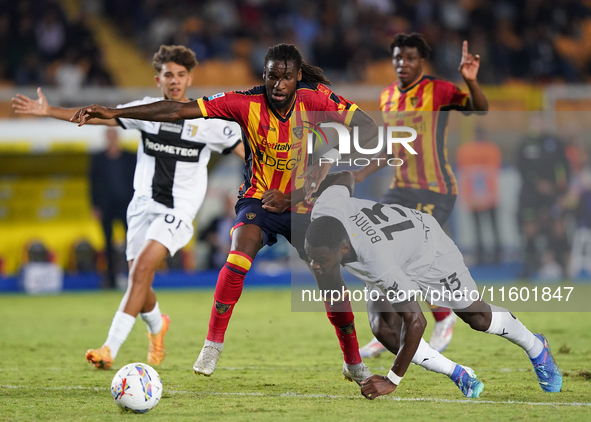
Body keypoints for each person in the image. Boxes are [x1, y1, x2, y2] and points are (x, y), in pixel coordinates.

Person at [70, 43, 380, 384]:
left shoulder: (317, 99)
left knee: (330, 282)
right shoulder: (243, 101)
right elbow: (177, 110)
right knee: (238, 256)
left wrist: (327, 158)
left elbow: (368, 128)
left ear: (298, 78)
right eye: (272, 76)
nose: (278, 85)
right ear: (263, 75)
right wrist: (115, 113)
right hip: (258, 199)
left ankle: (353, 361)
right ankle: (212, 344)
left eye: (286, 78)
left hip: (301, 203)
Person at [12, 45, 245, 370]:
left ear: (190, 78)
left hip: (177, 211)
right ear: (157, 79)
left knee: (139, 272)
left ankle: (109, 347)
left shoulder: (209, 122)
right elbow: (99, 117)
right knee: (141, 280)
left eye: (180, 75)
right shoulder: (144, 111)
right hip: (141, 208)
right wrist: (49, 111)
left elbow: (249, 154)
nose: (175, 81)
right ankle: (157, 325)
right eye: (168, 75)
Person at [305, 171, 562, 399]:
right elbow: (344, 178)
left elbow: (417, 321)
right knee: (384, 330)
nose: (315, 265)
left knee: (478, 318)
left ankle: (536, 346)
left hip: (428, 250)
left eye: (322, 259)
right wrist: (304, 188)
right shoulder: (324, 208)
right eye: (310, 256)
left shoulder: (377, 261)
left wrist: (391, 380)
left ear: (344, 248)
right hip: (394, 249)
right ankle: (458, 373)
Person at [352, 33, 489, 357]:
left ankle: (443, 317)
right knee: (370, 243)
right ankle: (385, 323)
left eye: (410, 58)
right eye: (398, 58)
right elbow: (390, 147)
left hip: (436, 189)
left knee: (412, 256)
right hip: (400, 189)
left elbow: (478, 109)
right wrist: (356, 174)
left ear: (421, 61)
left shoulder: (438, 90)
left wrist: (471, 82)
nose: (403, 64)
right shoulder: (387, 97)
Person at [516, 114, 570, 279]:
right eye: (536, 121)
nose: (539, 125)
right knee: (530, 230)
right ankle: (529, 267)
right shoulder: (525, 144)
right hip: (530, 195)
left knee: (558, 227)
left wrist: (562, 189)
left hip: (552, 194)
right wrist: (537, 183)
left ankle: (563, 267)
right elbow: (521, 169)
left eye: (541, 121)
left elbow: (565, 167)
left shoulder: (555, 142)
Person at [89, 128, 136, 288]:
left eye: (114, 135)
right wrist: (94, 206)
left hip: (127, 205)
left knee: (132, 241)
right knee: (107, 243)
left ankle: (134, 276)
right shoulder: (98, 158)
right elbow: (93, 183)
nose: (112, 139)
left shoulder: (130, 157)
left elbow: (137, 181)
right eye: (109, 136)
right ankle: (110, 278)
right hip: (106, 206)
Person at [455, 126, 502, 265]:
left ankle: (491, 255)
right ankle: (488, 255)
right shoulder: (489, 150)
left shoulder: (467, 151)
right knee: (484, 228)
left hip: (482, 196)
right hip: (481, 196)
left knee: (488, 227)